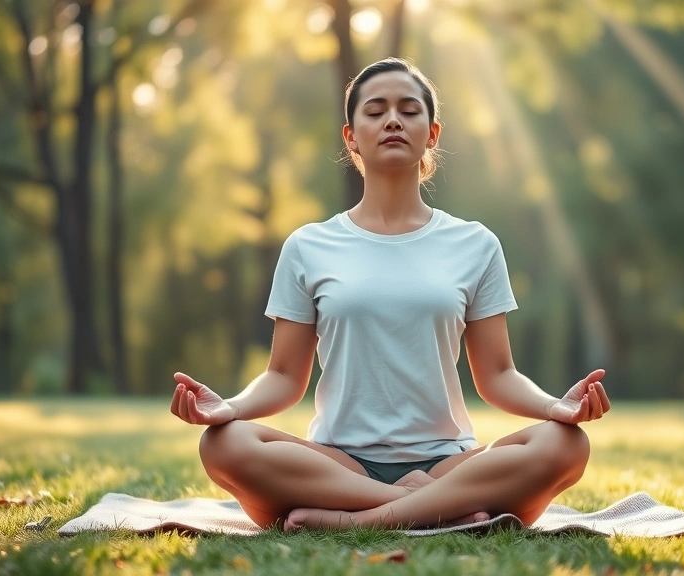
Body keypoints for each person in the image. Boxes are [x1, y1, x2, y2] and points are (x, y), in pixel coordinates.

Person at [169, 57, 611, 531]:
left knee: (567, 444)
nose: (393, 120)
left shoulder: (475, 244)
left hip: (448, 463)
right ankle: (437, 510)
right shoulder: (308, 246)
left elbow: (499, 375)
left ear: (433, 133)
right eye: (376, 110)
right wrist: (229, 408)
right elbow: (282, 376)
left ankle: (356, 521)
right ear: (350, 136)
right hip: (337, 467)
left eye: (409, 109)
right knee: (221, 443)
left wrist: (555, 408)